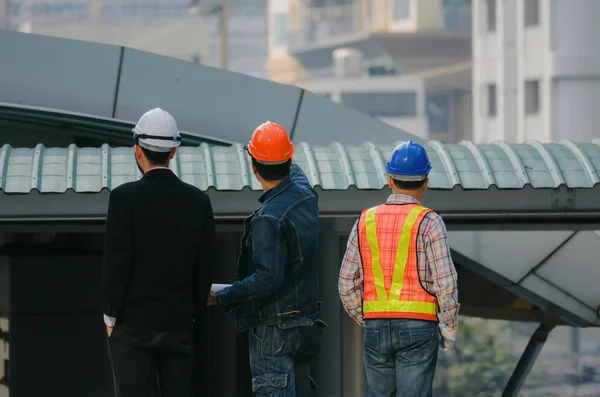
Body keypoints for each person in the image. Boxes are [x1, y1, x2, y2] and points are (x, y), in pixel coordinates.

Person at [102, 108, 216, 397]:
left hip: (132, 327)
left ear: (138, 150)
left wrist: (110, 318)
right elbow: (204, 270)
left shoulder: (123, 198)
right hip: (179, 327)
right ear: (173, 152)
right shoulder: (198, 202)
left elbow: (118, 264)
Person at [209, 121, 325, 397]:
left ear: (253, 167)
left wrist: (222, 295)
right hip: (305, 324)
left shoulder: (268, 218)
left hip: (275, 331)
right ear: (290, 158)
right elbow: (294, 173)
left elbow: (267, 278)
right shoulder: (306, 196)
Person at [338, 140, 460, 397]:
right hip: (419, 327)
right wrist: (448, 326)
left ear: (390, 179)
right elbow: (445, 282)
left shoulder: (365, 220)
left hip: (376, 326)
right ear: (425, 182)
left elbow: (346, 283)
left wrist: (368, 318)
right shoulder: (430, 222)